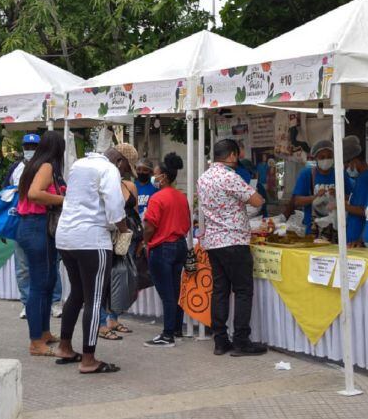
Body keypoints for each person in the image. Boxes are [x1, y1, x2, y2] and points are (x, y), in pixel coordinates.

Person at [53, 144, 131, 374]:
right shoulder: (109, 170)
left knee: (76, 293)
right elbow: (115, 207)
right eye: (126, 168)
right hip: (92, 239)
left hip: (65, 236)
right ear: (119, 161)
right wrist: (124, 230)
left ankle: (64, 347)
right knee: (94, 299)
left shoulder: (79, 164)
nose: (125, 173)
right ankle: (88, 360)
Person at [198, 139, 267, 357]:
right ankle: (241, 341)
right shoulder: (229, 177)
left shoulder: (204, 178)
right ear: (231, 156)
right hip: (234, 240)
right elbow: (257, 201)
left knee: (220, 291)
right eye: (237, 155)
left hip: (213, 242)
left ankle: (220, 340)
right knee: (243, 291)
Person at [15, 131, 67, 357]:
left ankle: (43, 332)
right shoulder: (46, 167)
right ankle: (35, 341)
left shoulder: (36, 165)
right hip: (36, 226)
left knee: (47, 281)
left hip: (36, 227)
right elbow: (36, 194)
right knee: (39, 284)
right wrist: (65, 200)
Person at [8, 133, 62, 319]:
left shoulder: (45, 167)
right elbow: (28, 194)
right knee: (30, 269)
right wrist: (65, 200)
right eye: (27, 146)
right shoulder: (22, 168)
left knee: (47, 269)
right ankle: (30, 306)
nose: (30, 150)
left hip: (36, 222)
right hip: (30, 220)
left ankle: (50, 305)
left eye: (34, 146)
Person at [142, 152, 189, 347]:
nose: (153, 177)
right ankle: (176, 328)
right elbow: (186, 223)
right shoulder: (181, 197)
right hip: (180, 245)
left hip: (162, 247)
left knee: (167, 293)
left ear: (163, 177)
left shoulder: (157, 198)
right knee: (176, 290)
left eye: (155, 174)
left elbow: (149, 226)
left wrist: (146, 242)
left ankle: (168, 334)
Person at [100, 143, 141, 341]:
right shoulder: (103, 180)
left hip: (126, 237)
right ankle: (101, 321)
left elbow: (135, 212)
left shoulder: (129, 185)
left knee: (122, 277)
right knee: (104, 278)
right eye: (126, 166)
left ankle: (113, 317)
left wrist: (136, 235)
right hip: (108, 234)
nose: (126, 171)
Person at [289, 140, 354, 233]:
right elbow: (297, 201)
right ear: (316, 158)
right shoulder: (307, 174)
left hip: (336, 228)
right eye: (322, 157)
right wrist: (315, 197)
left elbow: (351, 199)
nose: (326, 160)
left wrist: (338, 195)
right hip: (313, 228)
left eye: (329, 157)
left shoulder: (340, 174)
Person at [342, 135, 368, 243]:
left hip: (357, 237)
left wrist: (341, 206)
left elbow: (364, 210)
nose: (346, 168)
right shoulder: (361, 178)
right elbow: (357, 199)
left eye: (346, 164)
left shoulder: (364, 179)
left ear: (354, 161)